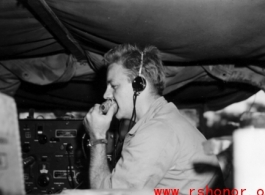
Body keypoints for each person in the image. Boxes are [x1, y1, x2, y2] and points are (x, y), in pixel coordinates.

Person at [83, 43, 223, 192]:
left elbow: (103, 193)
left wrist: (97, 137)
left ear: (139, 84)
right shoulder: (164, 121)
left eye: (114, 86)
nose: (106, 95)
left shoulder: (156, 131)